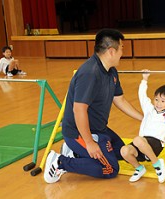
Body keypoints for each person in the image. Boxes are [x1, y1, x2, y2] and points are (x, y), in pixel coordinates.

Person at [43, 29, 143, 183]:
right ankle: (60, 162)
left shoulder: (111, 71)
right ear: (111, 51)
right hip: (78, 132)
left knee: (122, 152)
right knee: (110, 168)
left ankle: (76, 154)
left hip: (99, 128)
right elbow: (79, 109)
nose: (123, 52)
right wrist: (89, 142)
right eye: (121, 48)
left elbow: (120, 100)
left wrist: (144, 119)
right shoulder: (89, 73)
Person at [120, 70, 165, 183]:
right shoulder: (149, 109)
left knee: (138, 140)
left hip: (156, 143)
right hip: (142, 143)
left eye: (163, 101)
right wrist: (144, 79)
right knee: (124, 151)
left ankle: (157, 163)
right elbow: (142, 96)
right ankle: (139, 168)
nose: (158, 103)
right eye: (156, 100)